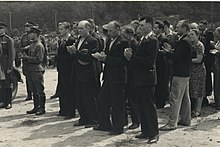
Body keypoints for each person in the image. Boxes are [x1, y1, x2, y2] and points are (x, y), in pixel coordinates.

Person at [124, 16, 159, 144]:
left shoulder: (152, 40)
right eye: (139, 26)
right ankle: (146, 130)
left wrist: (131, 57)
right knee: (142, 105)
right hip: (139, 78)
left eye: (143, 26)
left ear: (150, 26)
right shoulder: (143, 39)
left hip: (147, 78)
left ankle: (154, 133)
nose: (140, 28)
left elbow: (149, 61)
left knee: (149, 106)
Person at [92, 21, 129, 135]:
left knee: (117, 103)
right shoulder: (109, 41)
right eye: (108, 31)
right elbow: (109, 54)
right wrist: (102, 55)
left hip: (118, 77)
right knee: (102, 100)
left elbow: (123, 61)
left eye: (111, 31)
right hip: (109, 76)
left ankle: (118, 127)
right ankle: (105, 124)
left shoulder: (123, 42)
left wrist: (106, 58)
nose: (109, 33)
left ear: (118, 29)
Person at [160, 20, 192, 130]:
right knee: (184, 98)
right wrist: (172, 51)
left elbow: (177, 58)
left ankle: (172, 123)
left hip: (179, 73)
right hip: (186, 73)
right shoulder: (186, 40)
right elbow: (181, 55)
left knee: (175, 98)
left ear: (184, 28)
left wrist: (168, 53)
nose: (176, 29)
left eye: (178, 27)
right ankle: (186, 119)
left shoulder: (183, 41)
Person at [67, 20, 98, 127]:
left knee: (88, 97)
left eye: (82, 28)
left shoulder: (93, 41)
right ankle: (83, 118)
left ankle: (92, 119)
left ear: (88, 28)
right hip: (77, 72)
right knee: (79, 97)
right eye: (78, 28)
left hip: (87, 73)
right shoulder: (78, 40)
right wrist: (72, 52)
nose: (79, 31)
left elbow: (90, 57)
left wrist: (76, 52)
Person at [23, 26, 46, 115]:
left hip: (37, 70)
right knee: (33, 90)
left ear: (36, 34)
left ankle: (42, 108)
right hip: (30, 70)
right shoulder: (32, 45)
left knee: (39, 89)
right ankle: (36, 107)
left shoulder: (39, 46)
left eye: (31, 33)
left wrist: (27, 58)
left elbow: (39, 59)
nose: (29, 35)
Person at [55, 22, 76, 118]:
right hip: (62, 69)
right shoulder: (61, 40)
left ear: (67, 30)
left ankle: (70, 111)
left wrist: (60, 58)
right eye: (59, 29)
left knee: (69, 90)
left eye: (62, 29)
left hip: (69, 69)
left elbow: (71, 56)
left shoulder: (71, 40)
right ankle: (63, 109)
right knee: (62, 89)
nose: (60, 31)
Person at [121, 25, 140, 129]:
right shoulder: (127, 43)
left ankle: (136, 121)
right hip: (126, 74)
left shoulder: (135, 45)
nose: (123, 37)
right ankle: (124, 120)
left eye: (124, 35)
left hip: (132, 75)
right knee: (124, 98)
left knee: (133, 99)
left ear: (130, 34)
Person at [188, 29, 206, 117]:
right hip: (191, 70)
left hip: (198, 70)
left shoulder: (199, 45)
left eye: (192, 34)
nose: (190, 36)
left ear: (197, 35)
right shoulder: (191, 45)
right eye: (189, 34)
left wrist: (186, 60)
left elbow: (199, 59)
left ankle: (198, 109)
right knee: (192, 89)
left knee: (199, 90)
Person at [153, 20, 169, 109]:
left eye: (156, 28)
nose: (154, 30)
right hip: (156, 63)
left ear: (161, 29)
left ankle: (160, 102)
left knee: (161, 82)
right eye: (154, 28)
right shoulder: (154, 38)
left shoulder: (163, 39)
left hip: (161, 64)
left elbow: (164, 52)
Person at [198, 20, 214, 106]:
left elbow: (208, 44)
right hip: (203, 58)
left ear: (205, 25)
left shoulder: (209, 33)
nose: (199, 27)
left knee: (207, 76)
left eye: (201, 26)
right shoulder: (201, 33)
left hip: (208, 58)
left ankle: (207, 93)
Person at [0, 22, 15, 109]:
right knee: (1, 83)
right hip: (0, 65)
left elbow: (11, 54)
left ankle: (9, 102)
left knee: (7, 83)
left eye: (1, 29)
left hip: (5, 64)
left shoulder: (8, 40)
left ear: (4, 29)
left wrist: (10, 67)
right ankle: (3, 101)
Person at [20, 21, 35, 101]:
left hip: (34, 59)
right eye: (25, 26)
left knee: (35, 77)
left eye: (28, 26)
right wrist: (24, 49)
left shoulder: (36, 36)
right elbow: (20, 47)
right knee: (27, 77)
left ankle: (35, 93)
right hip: (26, 59)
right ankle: (29, 94)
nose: (26, 28)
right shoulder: (23, 37)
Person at [211, 27, 220, 110]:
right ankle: (217, 101)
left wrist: (217, 49)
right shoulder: (218, 42)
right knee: (216, 84)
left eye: (217, 36)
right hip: (216, 65)